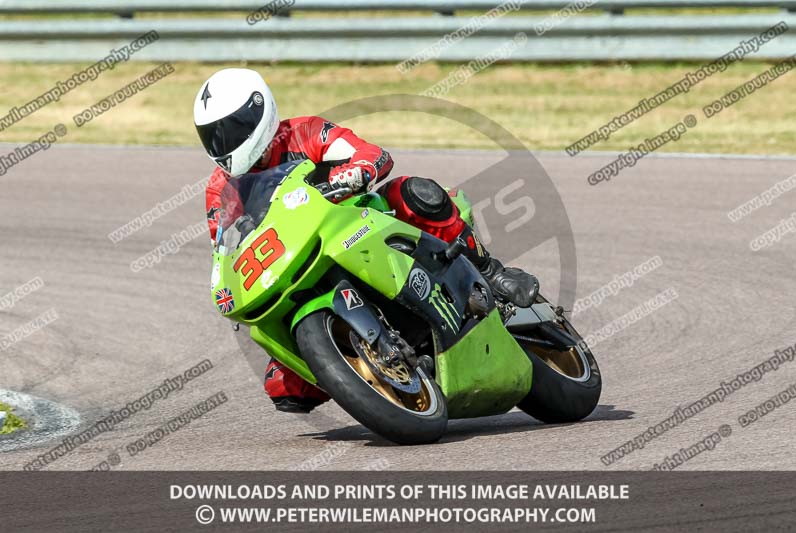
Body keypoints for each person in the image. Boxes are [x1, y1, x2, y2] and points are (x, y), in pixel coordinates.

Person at [194, 68, 539, 413]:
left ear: (259, 111)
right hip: (296, 260)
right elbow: (225, 248)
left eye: (231, 130)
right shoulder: (219, 189)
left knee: (413, 193)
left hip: (357, 223)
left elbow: (372, 154)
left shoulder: (304, 132)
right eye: (213, 136)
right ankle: (361, 367)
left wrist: (355, 171)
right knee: (283, 386)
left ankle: (490, 272)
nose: (223, 145)